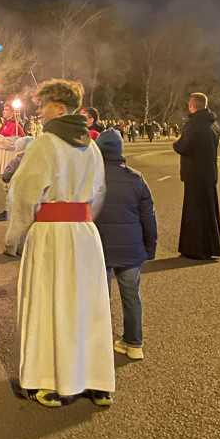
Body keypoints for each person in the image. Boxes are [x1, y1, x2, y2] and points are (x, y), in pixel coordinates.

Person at [4, 79, 114, 408]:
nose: (39, 111)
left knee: (47, 305)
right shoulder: (91, 147)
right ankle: (96, 381)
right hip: (84, 234)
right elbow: (98, 194)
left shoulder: (45, 145)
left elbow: (24, 194)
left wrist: (15, 237)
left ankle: (45, 382)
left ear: (61, 109)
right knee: (88, 306)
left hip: (51, 235)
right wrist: (81, 222)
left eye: (45, 105)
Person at [95, 129, 157, 360]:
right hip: (131, 248)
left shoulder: (91, 179)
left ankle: (98, 344)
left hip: (99, 247)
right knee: (131, 297)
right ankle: (134, 343)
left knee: (100, 297)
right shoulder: (136, 178)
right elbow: (148, 217)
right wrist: (149, 248)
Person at [173, 93, 220, 260]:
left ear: (192, 105)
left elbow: (184, 146)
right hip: (209, 173)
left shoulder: (192, 124)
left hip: (194, 174)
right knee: (209, 211)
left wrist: (175, 143)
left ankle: (194, 248)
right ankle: (211, 247)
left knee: (194, 213)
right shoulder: (213, 124)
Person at [0, 102, 24, 175]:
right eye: (4, 109)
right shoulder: (5, 124)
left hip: (10, 156)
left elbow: (11, 143)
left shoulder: (15, 126)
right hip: (3, 155)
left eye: (6, 110)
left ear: (13, 113)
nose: (3, 111)